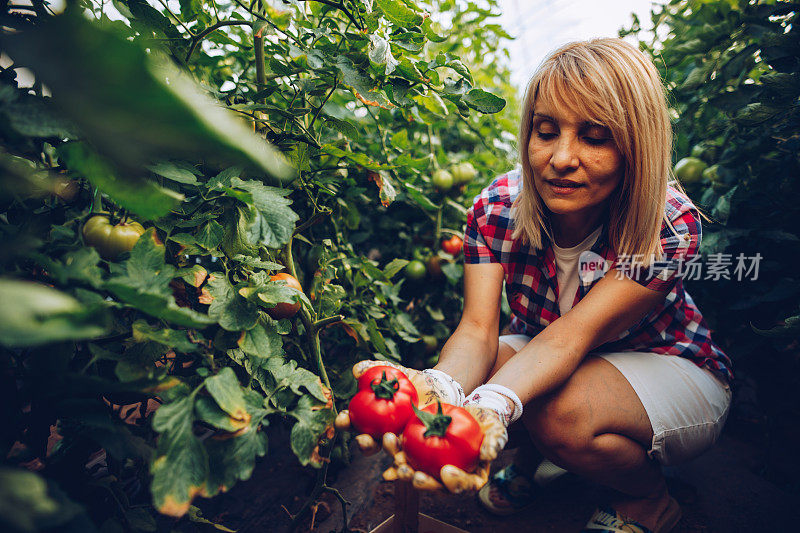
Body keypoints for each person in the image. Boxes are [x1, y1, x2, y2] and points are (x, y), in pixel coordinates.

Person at [338, 38, 733, 533]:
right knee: (490, 381)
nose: (561, 158)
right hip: (565, 355)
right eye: (546, 131)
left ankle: (650, 497)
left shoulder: (667, 224)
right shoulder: (497, 209)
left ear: (636, 144)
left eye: (595, 137)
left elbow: (575, 336)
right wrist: (441, 387)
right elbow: (478, 332)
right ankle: (540, 461)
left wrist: (493, 404)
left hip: (670, 361)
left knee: (554, 414)